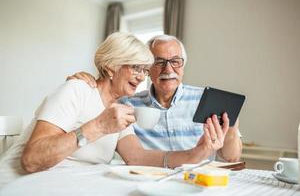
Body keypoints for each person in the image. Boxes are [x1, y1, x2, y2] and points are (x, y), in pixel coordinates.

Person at [0, 32, 229, 188]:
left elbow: (138, 157)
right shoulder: (76, 90)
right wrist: (97, 127)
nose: (142, 77)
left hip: (64, 186)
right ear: (111, 66)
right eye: (136, 68)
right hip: (21, 185)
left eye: (145, 70)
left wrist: (196, 153)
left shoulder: (120, 108)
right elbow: (31, 160)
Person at [69, 34, 242, 162]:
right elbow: (102, 94)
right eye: (159, 62)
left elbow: (231, 158)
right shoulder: (126, 103)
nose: (168, 70)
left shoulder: (207, 100)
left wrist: (231, 127)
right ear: (148, 69)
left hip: (198, 183)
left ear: (183, 66)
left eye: (175, 61)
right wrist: (89, 81)